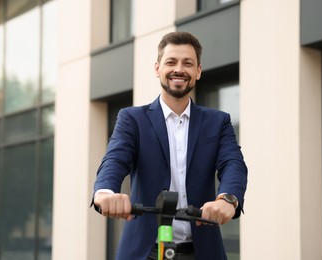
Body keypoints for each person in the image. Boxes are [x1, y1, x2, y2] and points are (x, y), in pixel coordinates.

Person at [92, 31, 248, 260]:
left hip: (202, 251)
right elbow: (115, 159)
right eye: (171, 62)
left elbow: (233, 163)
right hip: (145, 251)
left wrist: (228, 199)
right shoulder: (132, 119)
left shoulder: (218, 121)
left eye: (188, 63)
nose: (179, 69)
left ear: (198, 71)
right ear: (157, 69)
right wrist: (105, 193)